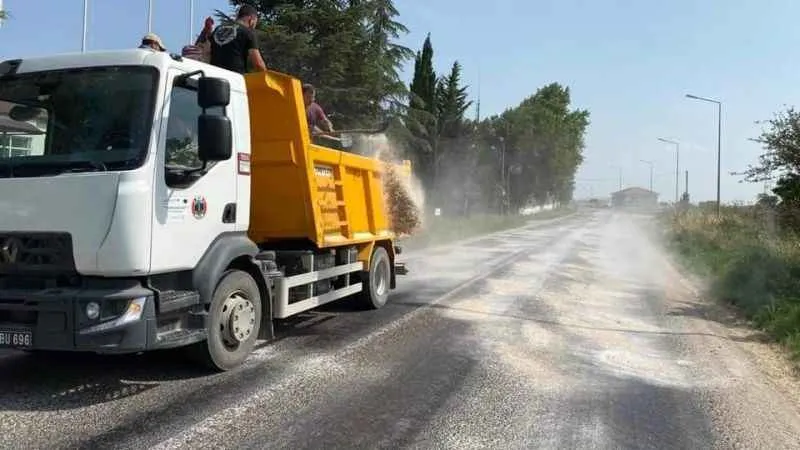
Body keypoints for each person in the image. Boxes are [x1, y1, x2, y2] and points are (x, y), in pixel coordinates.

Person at [209, 5, 267, 74]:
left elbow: (207, 52)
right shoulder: (248, 32)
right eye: (255, 23)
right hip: (235, 77)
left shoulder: (218, 29)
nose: (254, 27)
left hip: (213, 75)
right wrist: (267, 77)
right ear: (251, 19)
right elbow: (258, 64)